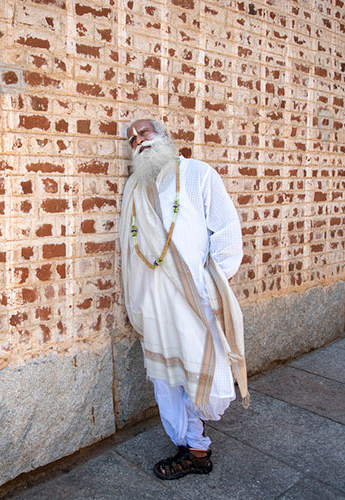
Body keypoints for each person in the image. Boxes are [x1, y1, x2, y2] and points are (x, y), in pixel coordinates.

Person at [119, 118, 248, 480]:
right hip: (155, 301)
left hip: (194, 297)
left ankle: (196, 443)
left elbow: (226, 229)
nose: (138, 141)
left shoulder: (197, 173)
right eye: (132, 139)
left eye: (144, 132)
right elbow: (128, 249)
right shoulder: (134, 189)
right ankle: (192, 447)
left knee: (200, 368)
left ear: (164, 136)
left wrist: (209, 282)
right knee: (166, 377)